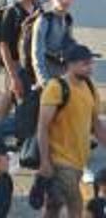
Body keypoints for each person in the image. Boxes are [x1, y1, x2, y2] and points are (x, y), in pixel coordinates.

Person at [37, 43, 105, 217]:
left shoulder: (90, 88)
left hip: (79, 161)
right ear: (70, 64)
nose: (90, 68)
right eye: (85, 64)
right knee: (76, 206)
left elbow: (96, 124)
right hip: (60, 160)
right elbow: (42, 127)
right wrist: (45, 161)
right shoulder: (56, 88)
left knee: (53, 205)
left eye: (91, 63)